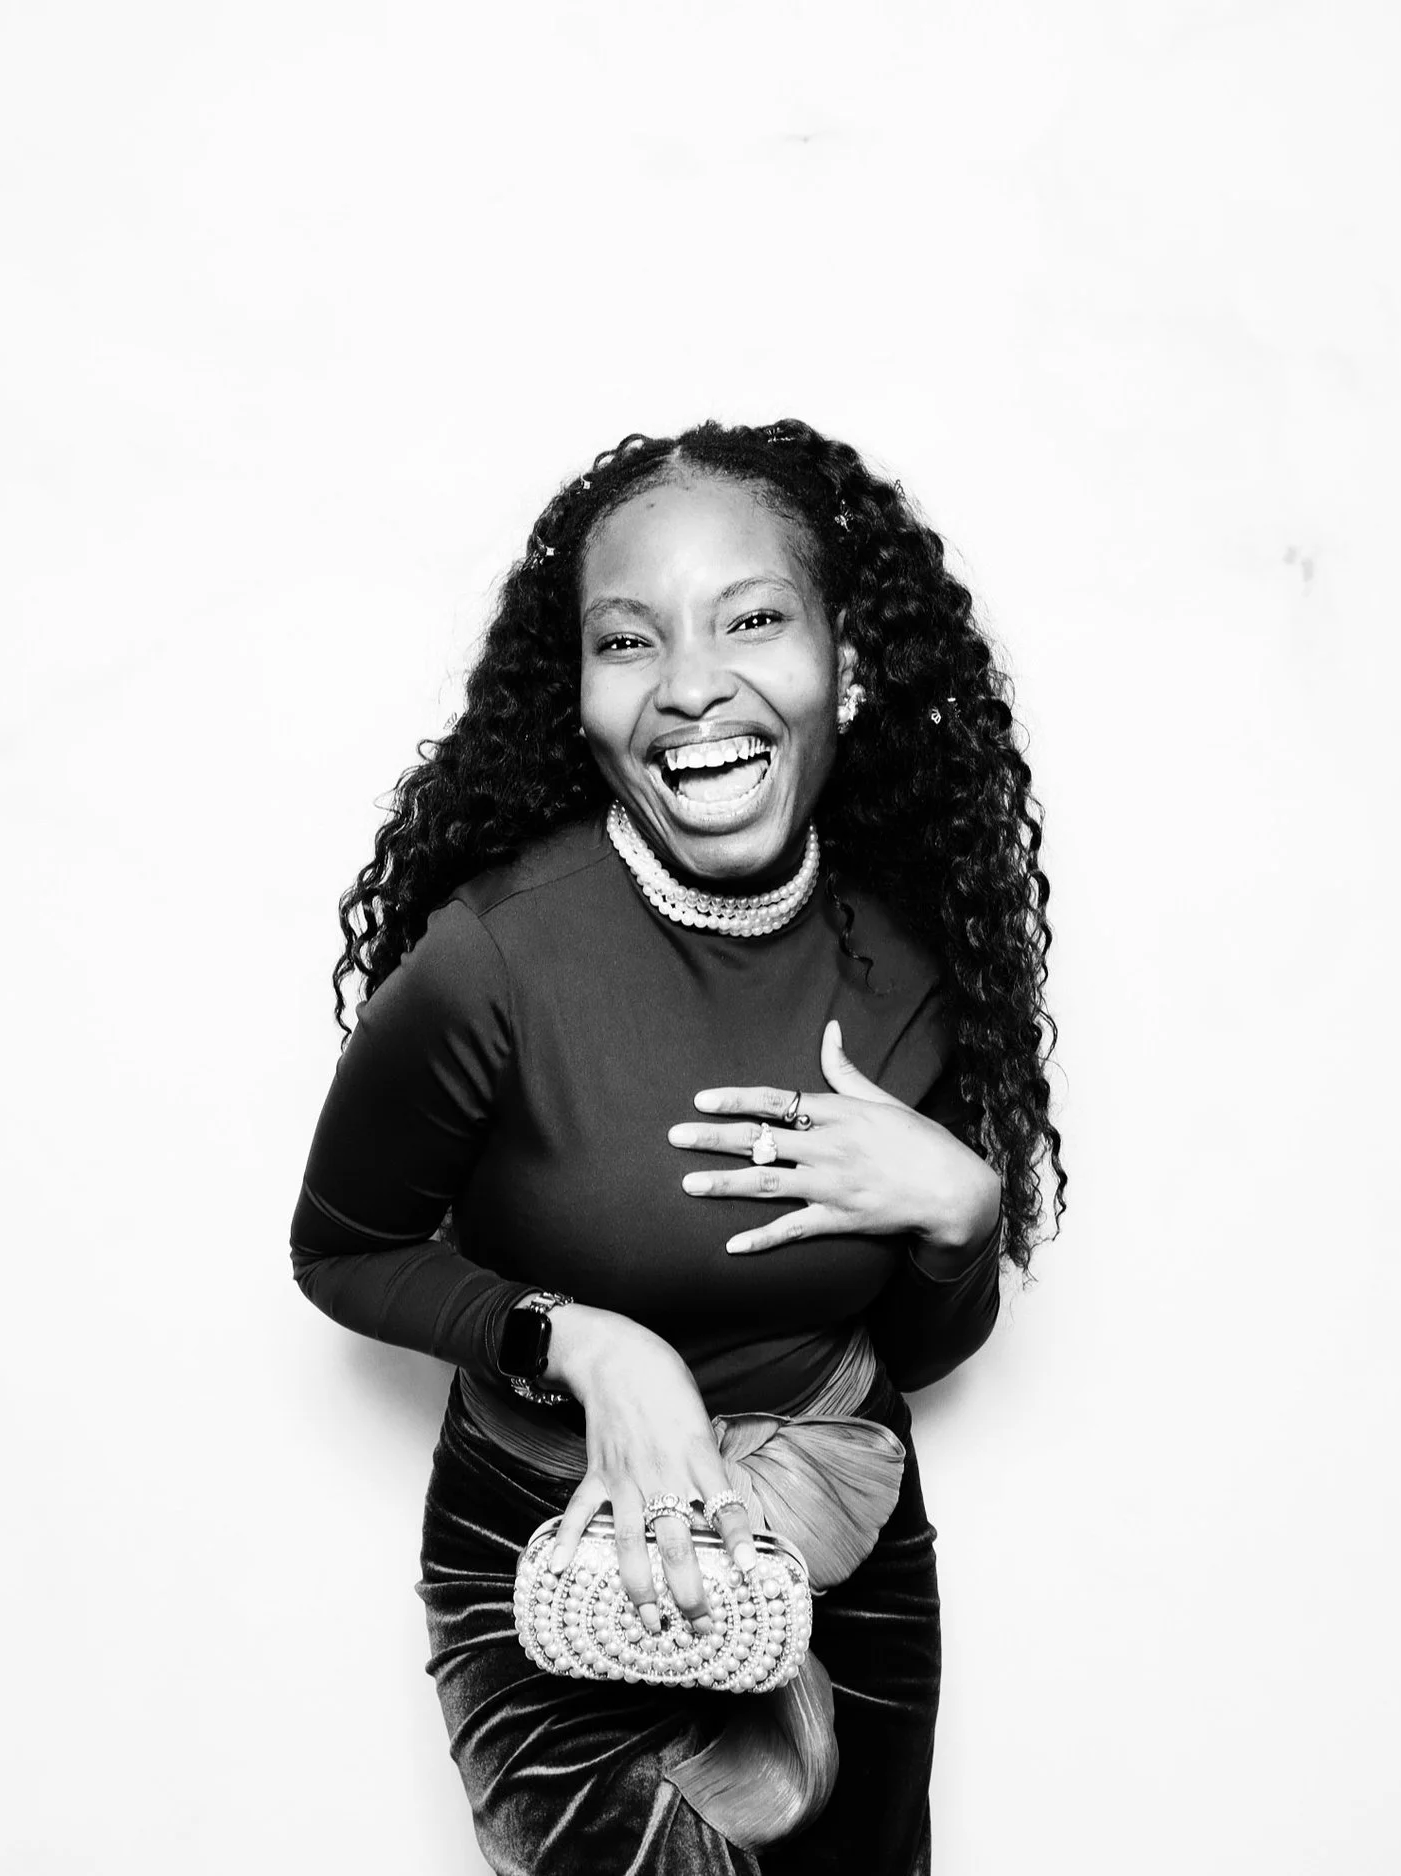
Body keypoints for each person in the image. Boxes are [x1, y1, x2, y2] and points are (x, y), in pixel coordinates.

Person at [290, 418, 1063, 1873]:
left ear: (850, 662)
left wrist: (959, 1217)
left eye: (753, 620)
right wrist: (581, 1343)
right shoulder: (496, 958)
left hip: (839, 1540)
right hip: (552, 1548)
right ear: (577, 695)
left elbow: (919, 1348)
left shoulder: (915, 956)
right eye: (629, 641)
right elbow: (341, 1247)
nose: (691, 686)